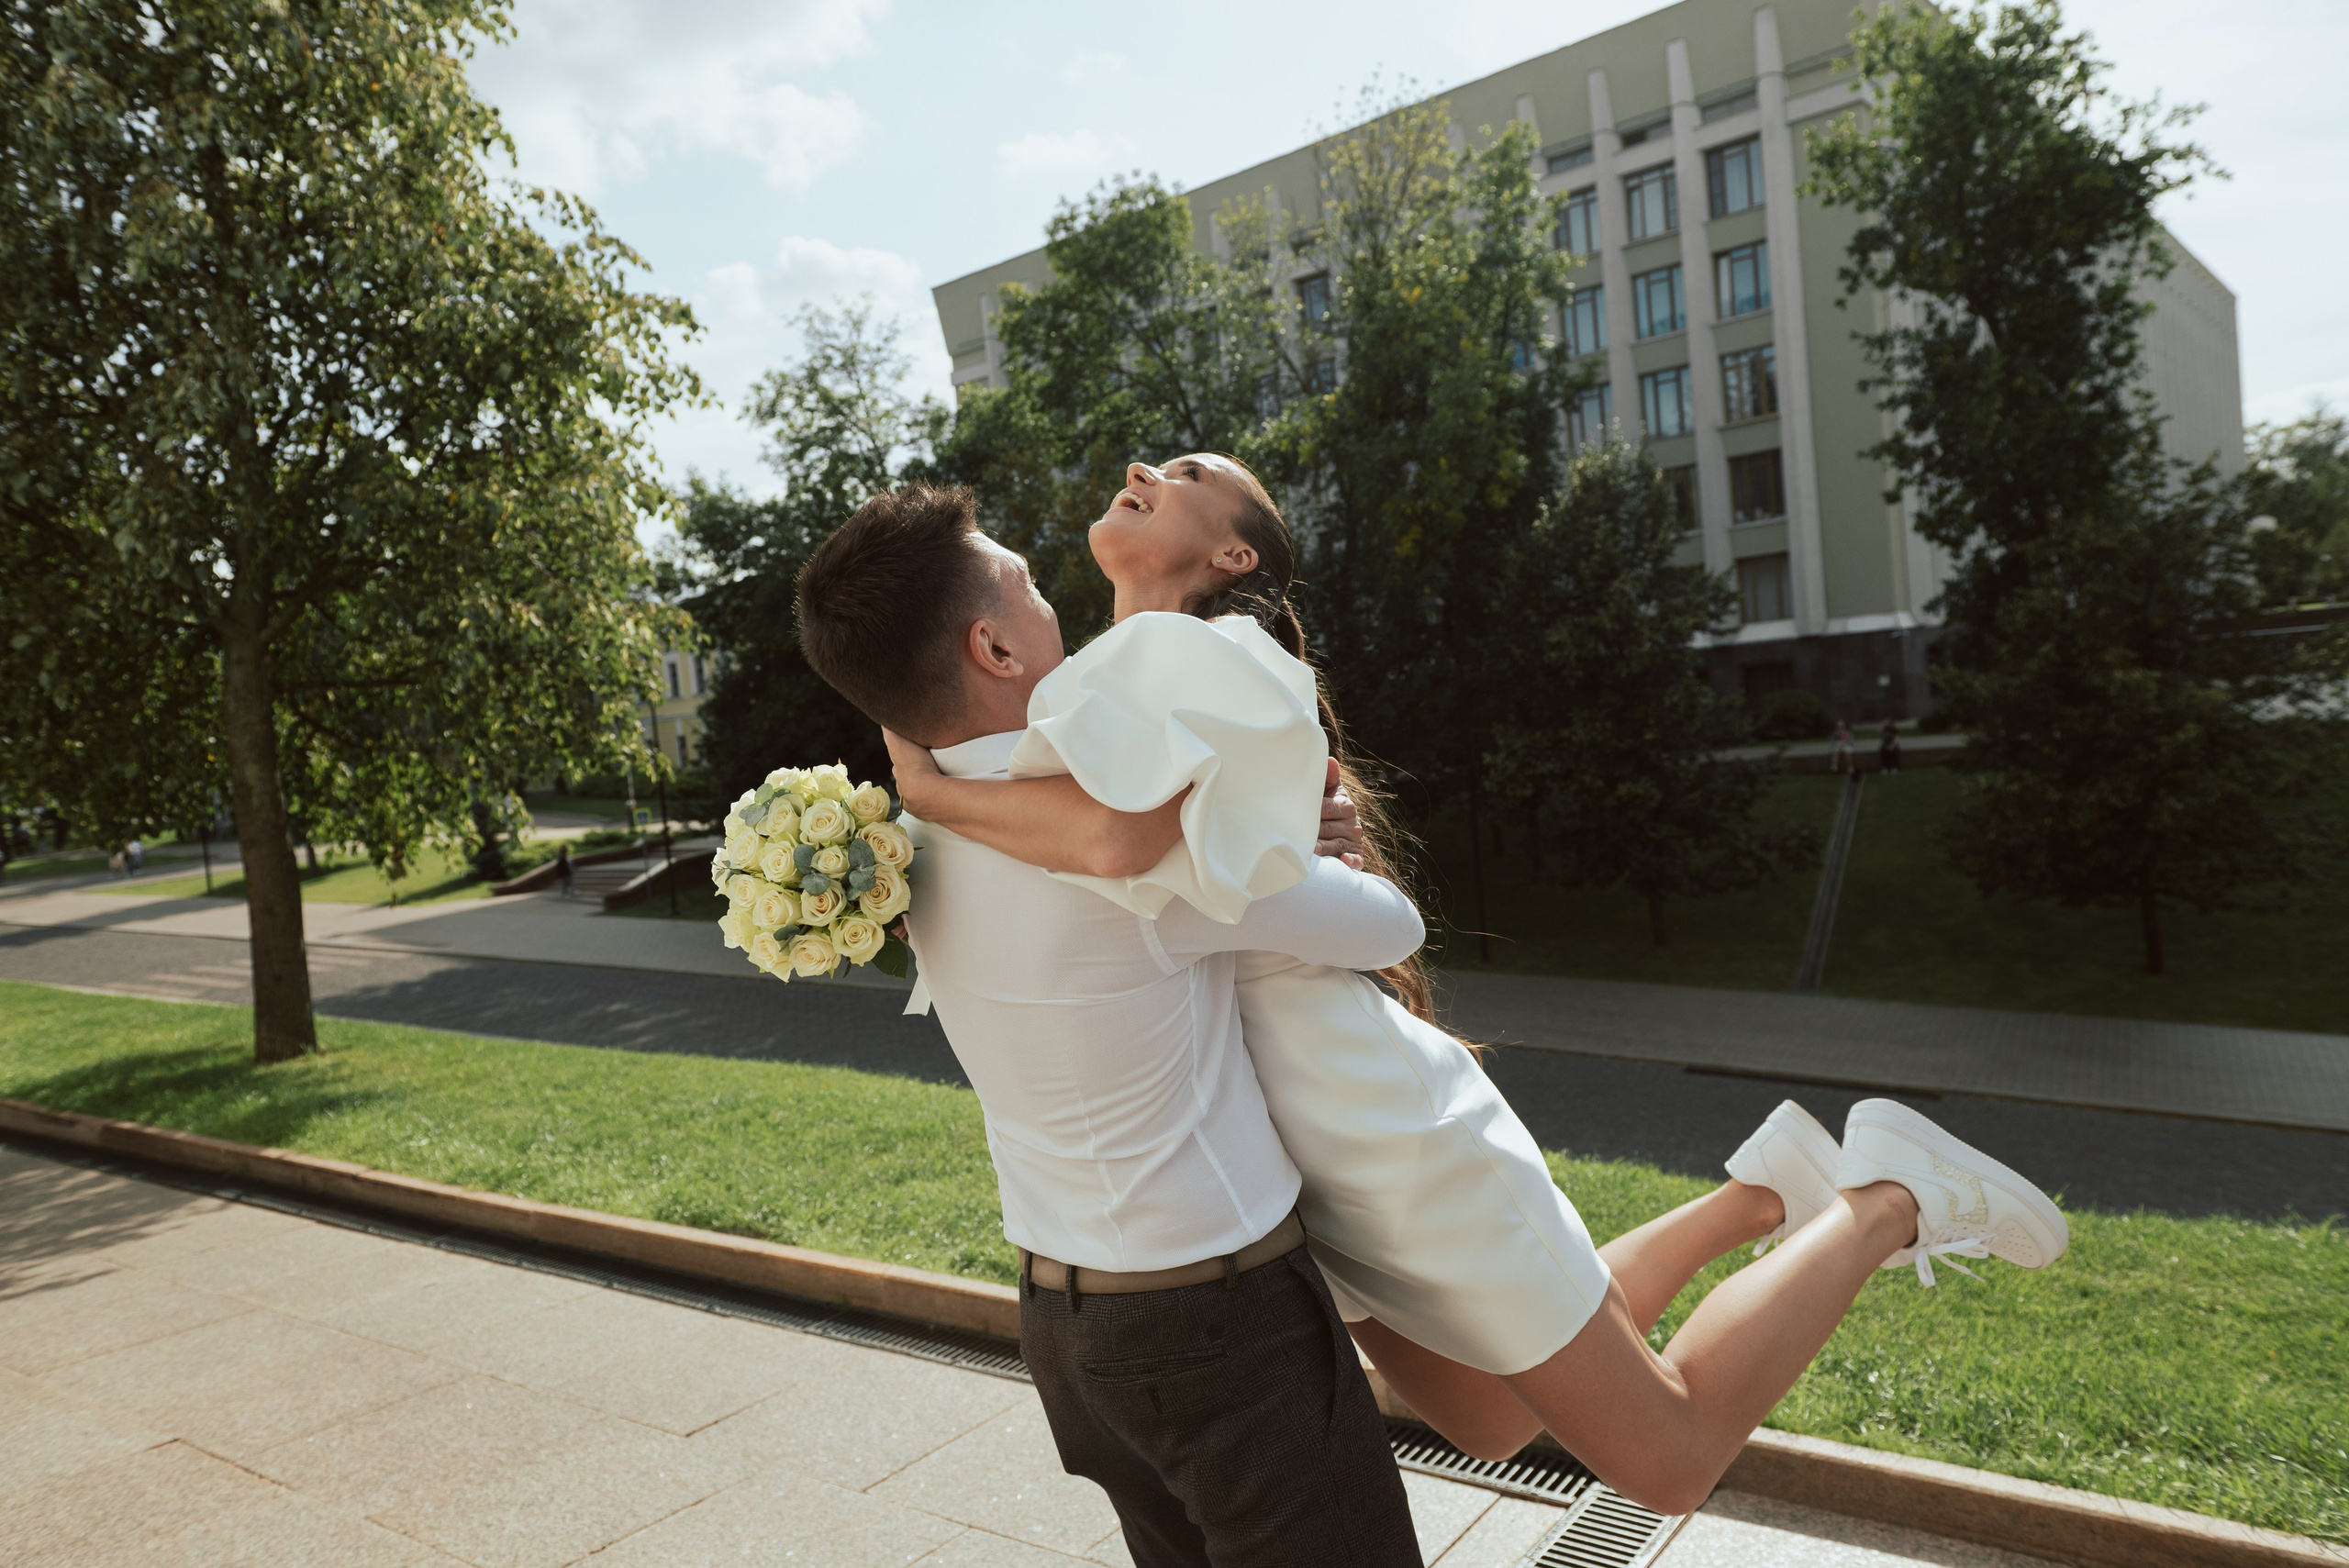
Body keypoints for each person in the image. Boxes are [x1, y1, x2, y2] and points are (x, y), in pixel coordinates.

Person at [864, 458, 2069, 1518]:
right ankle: (1762, 1195)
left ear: (1233, 553)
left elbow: (1131, 855)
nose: (1138, 465)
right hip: (1291, 1172)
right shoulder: (1108, 693)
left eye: (1182, 470)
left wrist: (932, 793)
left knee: (1670, 1456)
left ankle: (1887, 1195)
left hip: (1385, 1136)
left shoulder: (1215, 666)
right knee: (1492, 1420)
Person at [794, 485, 1420, 1568]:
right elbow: (1385, 926)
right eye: (1031, 590)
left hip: (1061, 1322)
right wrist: (1290, 845)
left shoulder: (906, 845)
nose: (1053, 607)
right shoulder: (1125, 833)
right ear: (991, 645)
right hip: (1218, 1320)